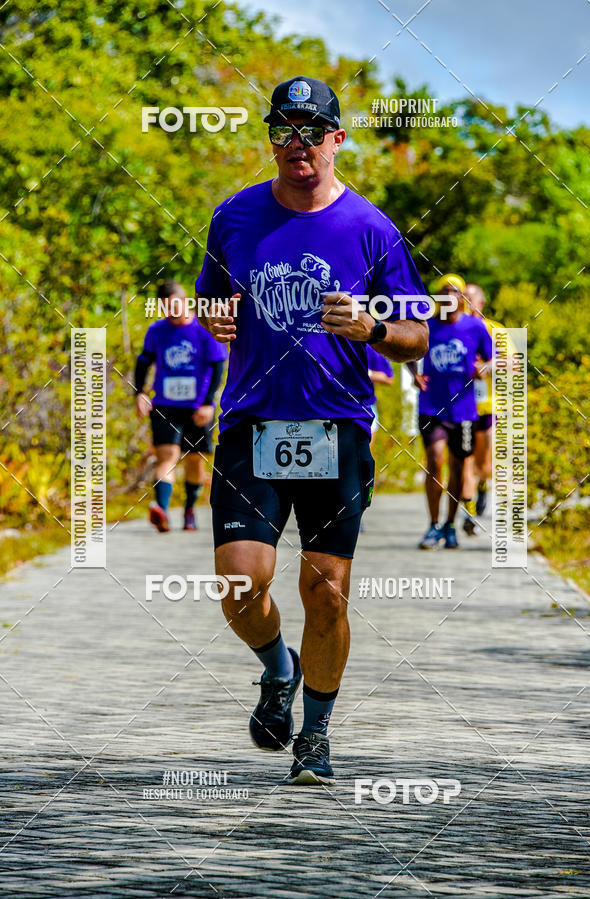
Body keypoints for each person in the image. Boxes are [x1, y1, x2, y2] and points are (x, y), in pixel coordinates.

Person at [195, 76, 428, 784]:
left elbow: (417, 335)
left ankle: (317, 734)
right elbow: (210, 299)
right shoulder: (234, 218)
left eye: (310, 130)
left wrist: (373, 326)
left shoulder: (372, 228)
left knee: (325, 592)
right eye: (282, 130)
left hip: (338, 427)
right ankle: (278, 670)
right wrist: (214, 319)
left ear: (337, 138)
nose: (296, 144)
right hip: (252, 422)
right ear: (270, 139)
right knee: (241, 583)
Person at [135, 280, 227, 532]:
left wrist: (208, 403)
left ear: (185, 302)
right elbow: (144, 361)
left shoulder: (203, 329)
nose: (172, 315)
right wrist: (140, 392)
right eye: (167, 310)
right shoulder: (157, 330)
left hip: (197, 407)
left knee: (195, 460)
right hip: (165, 405)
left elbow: (218, 366)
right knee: (168, 456)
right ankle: (162, 510)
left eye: (175, 308)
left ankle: (189, 509)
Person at [408, 274, 492, 550]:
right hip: (431, 405)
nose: (450, 296)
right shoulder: (427, 326)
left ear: (463, 298)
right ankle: (433, 525)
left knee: (458, 466)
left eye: (455, 292)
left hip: (464, 409)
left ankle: (450, 524)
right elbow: (406, 348)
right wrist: (414, 374)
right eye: (444, 291)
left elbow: (490, 361)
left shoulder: (475, 327)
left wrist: (482, 371)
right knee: (435, 459)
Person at [461, 282, 510, 530]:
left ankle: (482, 484)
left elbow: (513, 363)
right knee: (464, 460)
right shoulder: (454, 327)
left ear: (480, 303)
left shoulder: (494, 328)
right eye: (461, 297)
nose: (463, 302)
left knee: (483, 462)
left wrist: (487, 367)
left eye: (468, 298)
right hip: (460, 406)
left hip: (489, 405)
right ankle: (468, 515)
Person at [367, 345, 395, 449]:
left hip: (366, 407)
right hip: (331, 407)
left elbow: (388, 378)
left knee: (363, 457)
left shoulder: (370, 347)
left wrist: (366, 372)